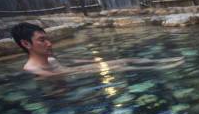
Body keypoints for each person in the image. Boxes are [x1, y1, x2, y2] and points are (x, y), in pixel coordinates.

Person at [10, 22, 184, 77]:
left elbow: (78, 63)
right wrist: (99, 67)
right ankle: (162, 67)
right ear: (26, 44)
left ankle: (163, 62)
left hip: (75, 71)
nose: (49, 43)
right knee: (122, 66)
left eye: (47, 38)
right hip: (73, 77)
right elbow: (68, 73)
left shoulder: (52, 60)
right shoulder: (34, 71)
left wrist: (98, 61)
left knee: (124, 60)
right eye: (42, 40)